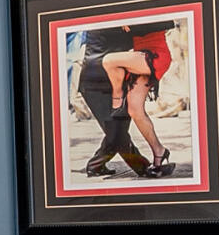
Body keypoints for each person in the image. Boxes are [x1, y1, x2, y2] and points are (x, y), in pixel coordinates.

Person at [72, 20, 182, 179]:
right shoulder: (105, 24)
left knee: (117, 129)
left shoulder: (120, 21)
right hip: (97, 84)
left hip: (118, 76)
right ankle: (142, 167)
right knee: (117, 132)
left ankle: (95, 165)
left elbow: (156, 27)